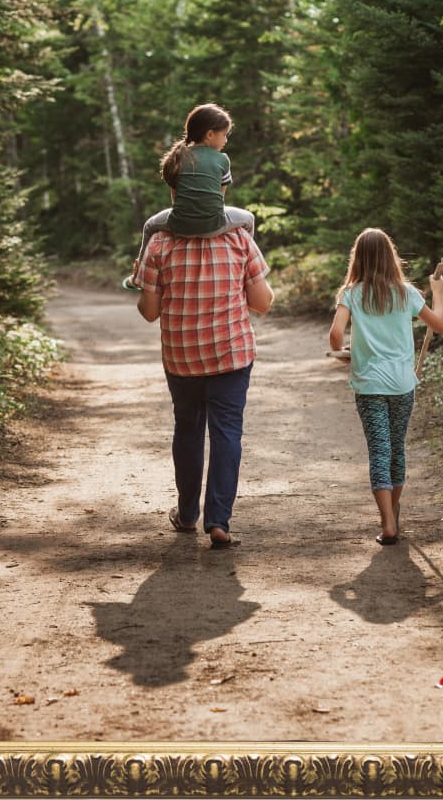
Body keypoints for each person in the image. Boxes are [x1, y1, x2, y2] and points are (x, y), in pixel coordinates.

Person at [134, 223, 274, 549]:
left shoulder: (159, 242)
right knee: (227, 433)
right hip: (231, 354)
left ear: (175, 197)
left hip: (182, 356)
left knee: (188, 429)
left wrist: (139, 281)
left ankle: (186, 514)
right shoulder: (238, 238)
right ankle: (218, 523)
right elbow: (262, 303)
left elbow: (149, 312)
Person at [328, 228, 443, 545]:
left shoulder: (351, 293)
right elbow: (439, 324)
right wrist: (438, 291)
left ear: (358, 258)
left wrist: (343, 352)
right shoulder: (407, 293)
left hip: (370, 385)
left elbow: (336, 335)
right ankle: (393, 514)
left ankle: (388, 524)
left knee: (379, 451)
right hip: (402, 384)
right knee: (396, 449)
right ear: (390, 256)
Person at [124, 103, 254, 289]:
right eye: (224, 135)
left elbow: (175, 199)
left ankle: (138, 275)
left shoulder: (177, 156)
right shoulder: (223, 159)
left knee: (149, 225)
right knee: (249, 219)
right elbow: (220, 198)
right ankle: (248, 271)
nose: (226, 140)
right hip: (214, 225)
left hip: (180, 226)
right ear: (210, 134)